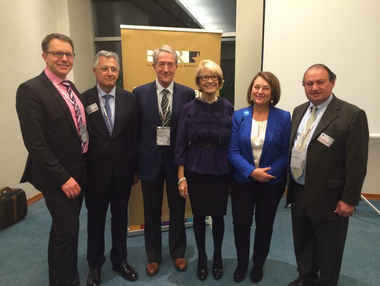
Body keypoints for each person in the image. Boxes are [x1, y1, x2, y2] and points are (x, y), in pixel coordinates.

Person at [16, 33, 88, 286]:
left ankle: (57, 279)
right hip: (59, 177)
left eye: (69, 54)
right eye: (58, 53)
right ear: (44, 56)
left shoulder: (69, 86)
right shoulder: (31, 90)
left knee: (62, 231)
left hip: (77, 171)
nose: (64, 58)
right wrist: (63, 179)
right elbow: (36, 144)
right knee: (68, 233)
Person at [287, 64, 369, 286]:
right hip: (299, 190)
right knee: (303, 243)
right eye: (309, 83)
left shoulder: (352, 114)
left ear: (332, 82)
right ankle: (306, 278)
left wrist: (349, 199)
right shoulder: (299, 110)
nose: (314, 87)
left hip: (331, 198)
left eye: (320, 82)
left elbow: (357, 162)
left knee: (329, 249)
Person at [132, 45, 195, 276]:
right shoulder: (139, 93)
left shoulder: (187, 94)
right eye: (161, 64)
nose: (166, 69)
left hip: (176, 163)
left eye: (170, 64)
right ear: (154, 66)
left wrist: (186, 168)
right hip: (149, 161)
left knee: (178, 209)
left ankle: (178, 252)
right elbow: (136, 131)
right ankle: (153, 256)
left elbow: (188, 133)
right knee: (151, 211)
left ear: (177, 67)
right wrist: (135, 167)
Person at [81, 51, 139, 286]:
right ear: (95, 71)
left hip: (123, 173)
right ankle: (95, 266)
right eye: (104, 68)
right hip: (94, 174)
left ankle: (120, 260)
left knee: (119, 219)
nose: (110, 73)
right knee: (95, 221)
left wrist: (135, 169)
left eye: (114, 69)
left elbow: (135, 136)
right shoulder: (83, 100)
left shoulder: (130, 99)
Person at [228, 71, 291, 283]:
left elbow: (285, 153)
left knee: (265, 225)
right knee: (241, 224)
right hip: (242, 181)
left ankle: (258, 264)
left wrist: (267, 174)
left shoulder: (283, 117)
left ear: (273, 92)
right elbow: (233, 151)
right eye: (256, 87)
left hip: (271, 182)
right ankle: (242, 263)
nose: (260, 91)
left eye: (265, 88)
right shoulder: (239, 115)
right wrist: (251, 172)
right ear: (251, 90)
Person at [174, 60, 234, 281]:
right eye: (204, 77)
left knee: (218, 216)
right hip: (196, 167)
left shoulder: (228, 107)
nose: (209, 81)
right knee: (199, 216)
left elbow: (233, 142)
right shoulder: (188, 108)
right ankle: (202, 258)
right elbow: (180, 143)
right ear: (198, 82)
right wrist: (181, 177)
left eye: (213, 77)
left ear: (219, 81)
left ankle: (217, 258)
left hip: (221, 168)